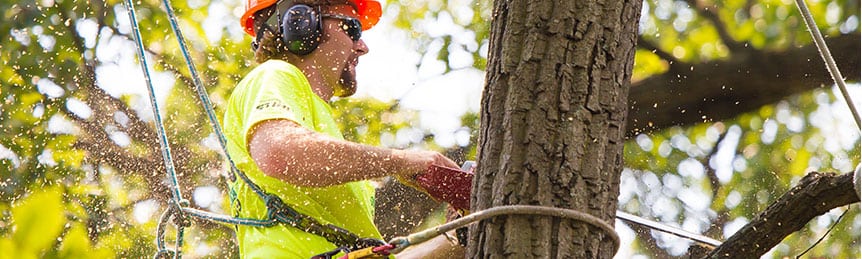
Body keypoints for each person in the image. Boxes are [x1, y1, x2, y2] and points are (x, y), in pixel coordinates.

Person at [222, 0, 465, 257]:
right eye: (353, 29)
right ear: (301, 23)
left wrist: (457, 237)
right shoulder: (274, 75)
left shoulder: (319, 127)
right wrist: (402, 161)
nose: (362, 47)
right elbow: (278, 153)